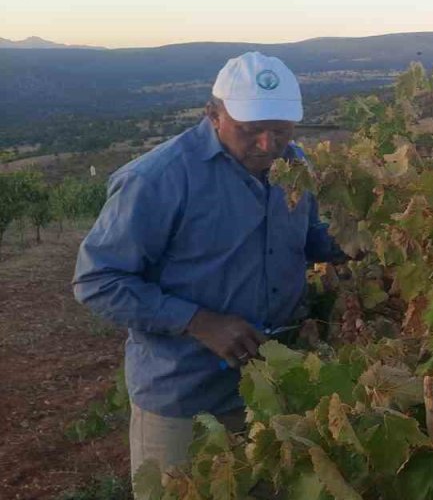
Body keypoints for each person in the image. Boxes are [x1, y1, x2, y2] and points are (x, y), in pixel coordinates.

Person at [72, 52, 346, 480]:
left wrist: (367, 240)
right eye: (251, 131)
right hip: (185, 401)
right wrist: (199, 321)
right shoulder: (156, 179)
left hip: (278, 387)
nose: (268, 144)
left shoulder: (296, 165)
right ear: (213, 114)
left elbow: (309, 242)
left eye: (282, 130)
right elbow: (97, 281)